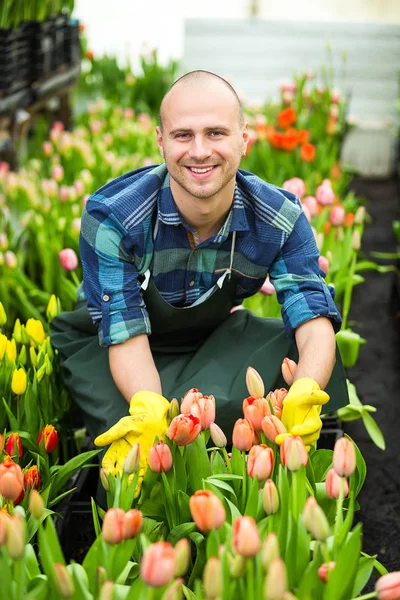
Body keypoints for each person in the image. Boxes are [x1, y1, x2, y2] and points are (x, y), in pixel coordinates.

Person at [51, 70, 348, 476]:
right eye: (183, 135)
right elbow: (124, 334)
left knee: (310, 357)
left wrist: (305, 392)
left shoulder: (278, 217)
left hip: (210, 341)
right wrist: (152, 412)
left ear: (244, 140)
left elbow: (313, 318)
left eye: (216, 133)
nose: (200, 151)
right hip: (117, 349)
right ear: (161, 141)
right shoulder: (114, 217)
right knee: (139, 438)